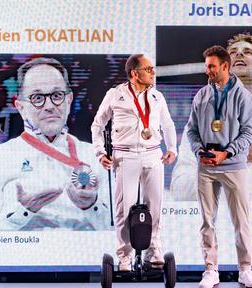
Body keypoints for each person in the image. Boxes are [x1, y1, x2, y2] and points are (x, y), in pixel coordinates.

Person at [0, 57, 110, 230]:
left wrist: (92, 206)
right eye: (37, 97)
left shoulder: (95, 157)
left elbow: (119, 232)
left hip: (82, 254)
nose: (49, 106)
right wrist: (23, 211)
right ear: (20, 107)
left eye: (57, 95)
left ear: (69, 100)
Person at [171, 32, 252, 201]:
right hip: (217, 223)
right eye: (232, 53)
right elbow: (180, 190)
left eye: (247, 52)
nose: (239, 54)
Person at [91, 54, 177, 271]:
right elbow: (97, 125)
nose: (153, 72)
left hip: (152, 154)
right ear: (134, 73)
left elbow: (168, 125)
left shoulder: (157, 97)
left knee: (155, 206)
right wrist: (100, 153)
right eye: (148, 69)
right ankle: (124, 256)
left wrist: (173, 149)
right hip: (125, 156)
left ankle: (153, 250)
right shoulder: (115, 95)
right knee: (124, 208)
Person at [186, 45, 252, 288]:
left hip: (233, 166)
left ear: (224, 67)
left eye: (211, 66)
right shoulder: (201, 95)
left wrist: (226, 153)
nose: (207, 71)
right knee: (207, 221)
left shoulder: (243, 96)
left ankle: (245, 269)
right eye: (207, 66)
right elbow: (191, 130)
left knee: (241, 221)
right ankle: (210, 269)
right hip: (206, 166)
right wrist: (199, 151)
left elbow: (250, 132)